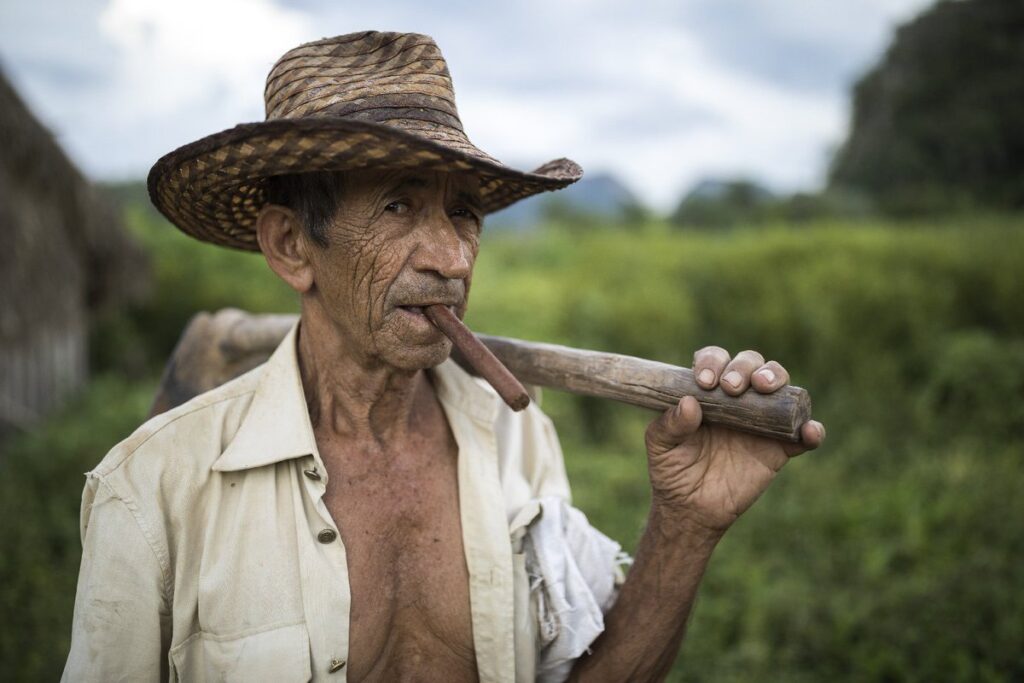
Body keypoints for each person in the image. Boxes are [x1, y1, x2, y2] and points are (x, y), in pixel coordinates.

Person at [63, 31, 825, 682]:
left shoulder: (515, 435)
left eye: (463, 213)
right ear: (292, 246)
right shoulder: (153, 490)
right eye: (399, 206)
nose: (452, 257)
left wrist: (686, 525)